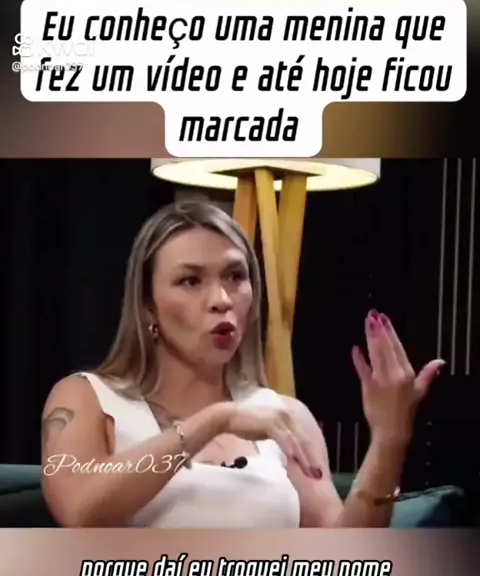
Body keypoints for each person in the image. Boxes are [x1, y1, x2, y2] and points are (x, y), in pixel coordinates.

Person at [41, 199, 444, 528]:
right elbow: (81, 510)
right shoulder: (85, 398)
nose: (221, 299)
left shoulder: (285, 416)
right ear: (147, 304)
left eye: (235, 276)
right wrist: (217, 420)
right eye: (191, 280)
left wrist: (389, 440)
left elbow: (345, 562)